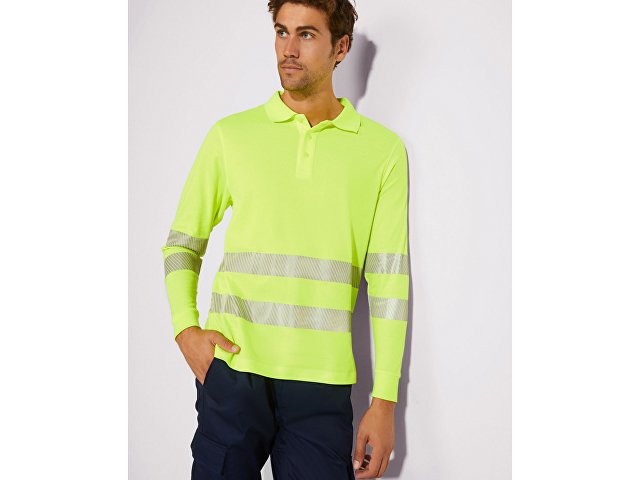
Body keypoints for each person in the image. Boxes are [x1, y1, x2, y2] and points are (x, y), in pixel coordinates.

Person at [161, 1, 409, 478]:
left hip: (321, 387)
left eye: (306, 35)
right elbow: (180, 245)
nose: (288, 49)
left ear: (341, 47)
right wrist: (185, 330)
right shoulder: (231, 136)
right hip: (233, 374)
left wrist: (384, 400)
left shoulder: (382, 152)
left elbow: (389, 283)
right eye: (281, 31)